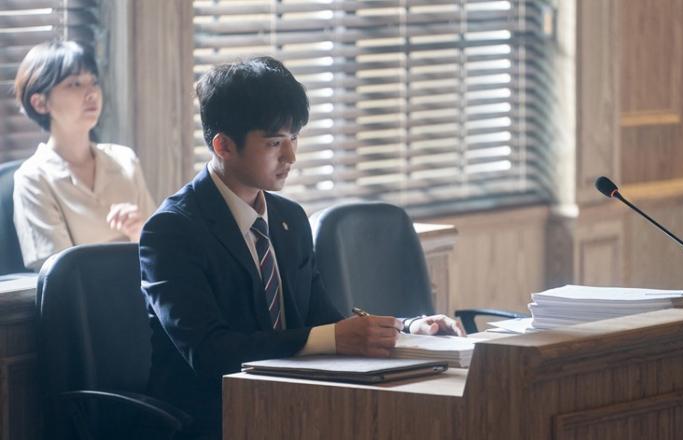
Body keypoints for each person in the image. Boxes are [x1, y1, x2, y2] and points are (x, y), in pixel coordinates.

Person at [139, 56, 464, 438]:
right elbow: (211, 352)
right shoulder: (172, 230)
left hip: (294, 405)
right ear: (223, 145)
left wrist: (406, 329)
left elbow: (323, 321)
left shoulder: (289, 219)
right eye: (274, 143)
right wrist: (334, 337)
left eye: (293, 139)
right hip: (213, 417)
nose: (290, 157)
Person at [12, 40, 155, 271]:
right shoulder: (33, 178)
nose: (92, 93)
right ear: (40, 103)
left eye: (94, 82)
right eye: (75, 84)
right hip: (86, 294)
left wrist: (138, 231)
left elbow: (159, 250)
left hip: (140, 289)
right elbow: (60, 274)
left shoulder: (125, 160)